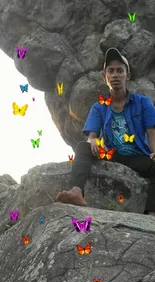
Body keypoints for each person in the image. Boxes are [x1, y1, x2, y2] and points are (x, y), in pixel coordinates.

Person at [56, 47, 155, 216]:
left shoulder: (142, 102)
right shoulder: (99, 106)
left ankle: (151, 213)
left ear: (127, 76)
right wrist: (93, 141)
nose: (115, 75)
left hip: (137, 156)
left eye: (120, 71)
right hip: (111, 154)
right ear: (105, 76)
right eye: (111, 71)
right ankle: (76, 192)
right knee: (82, 147)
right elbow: (92, 136)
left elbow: (151, 130)